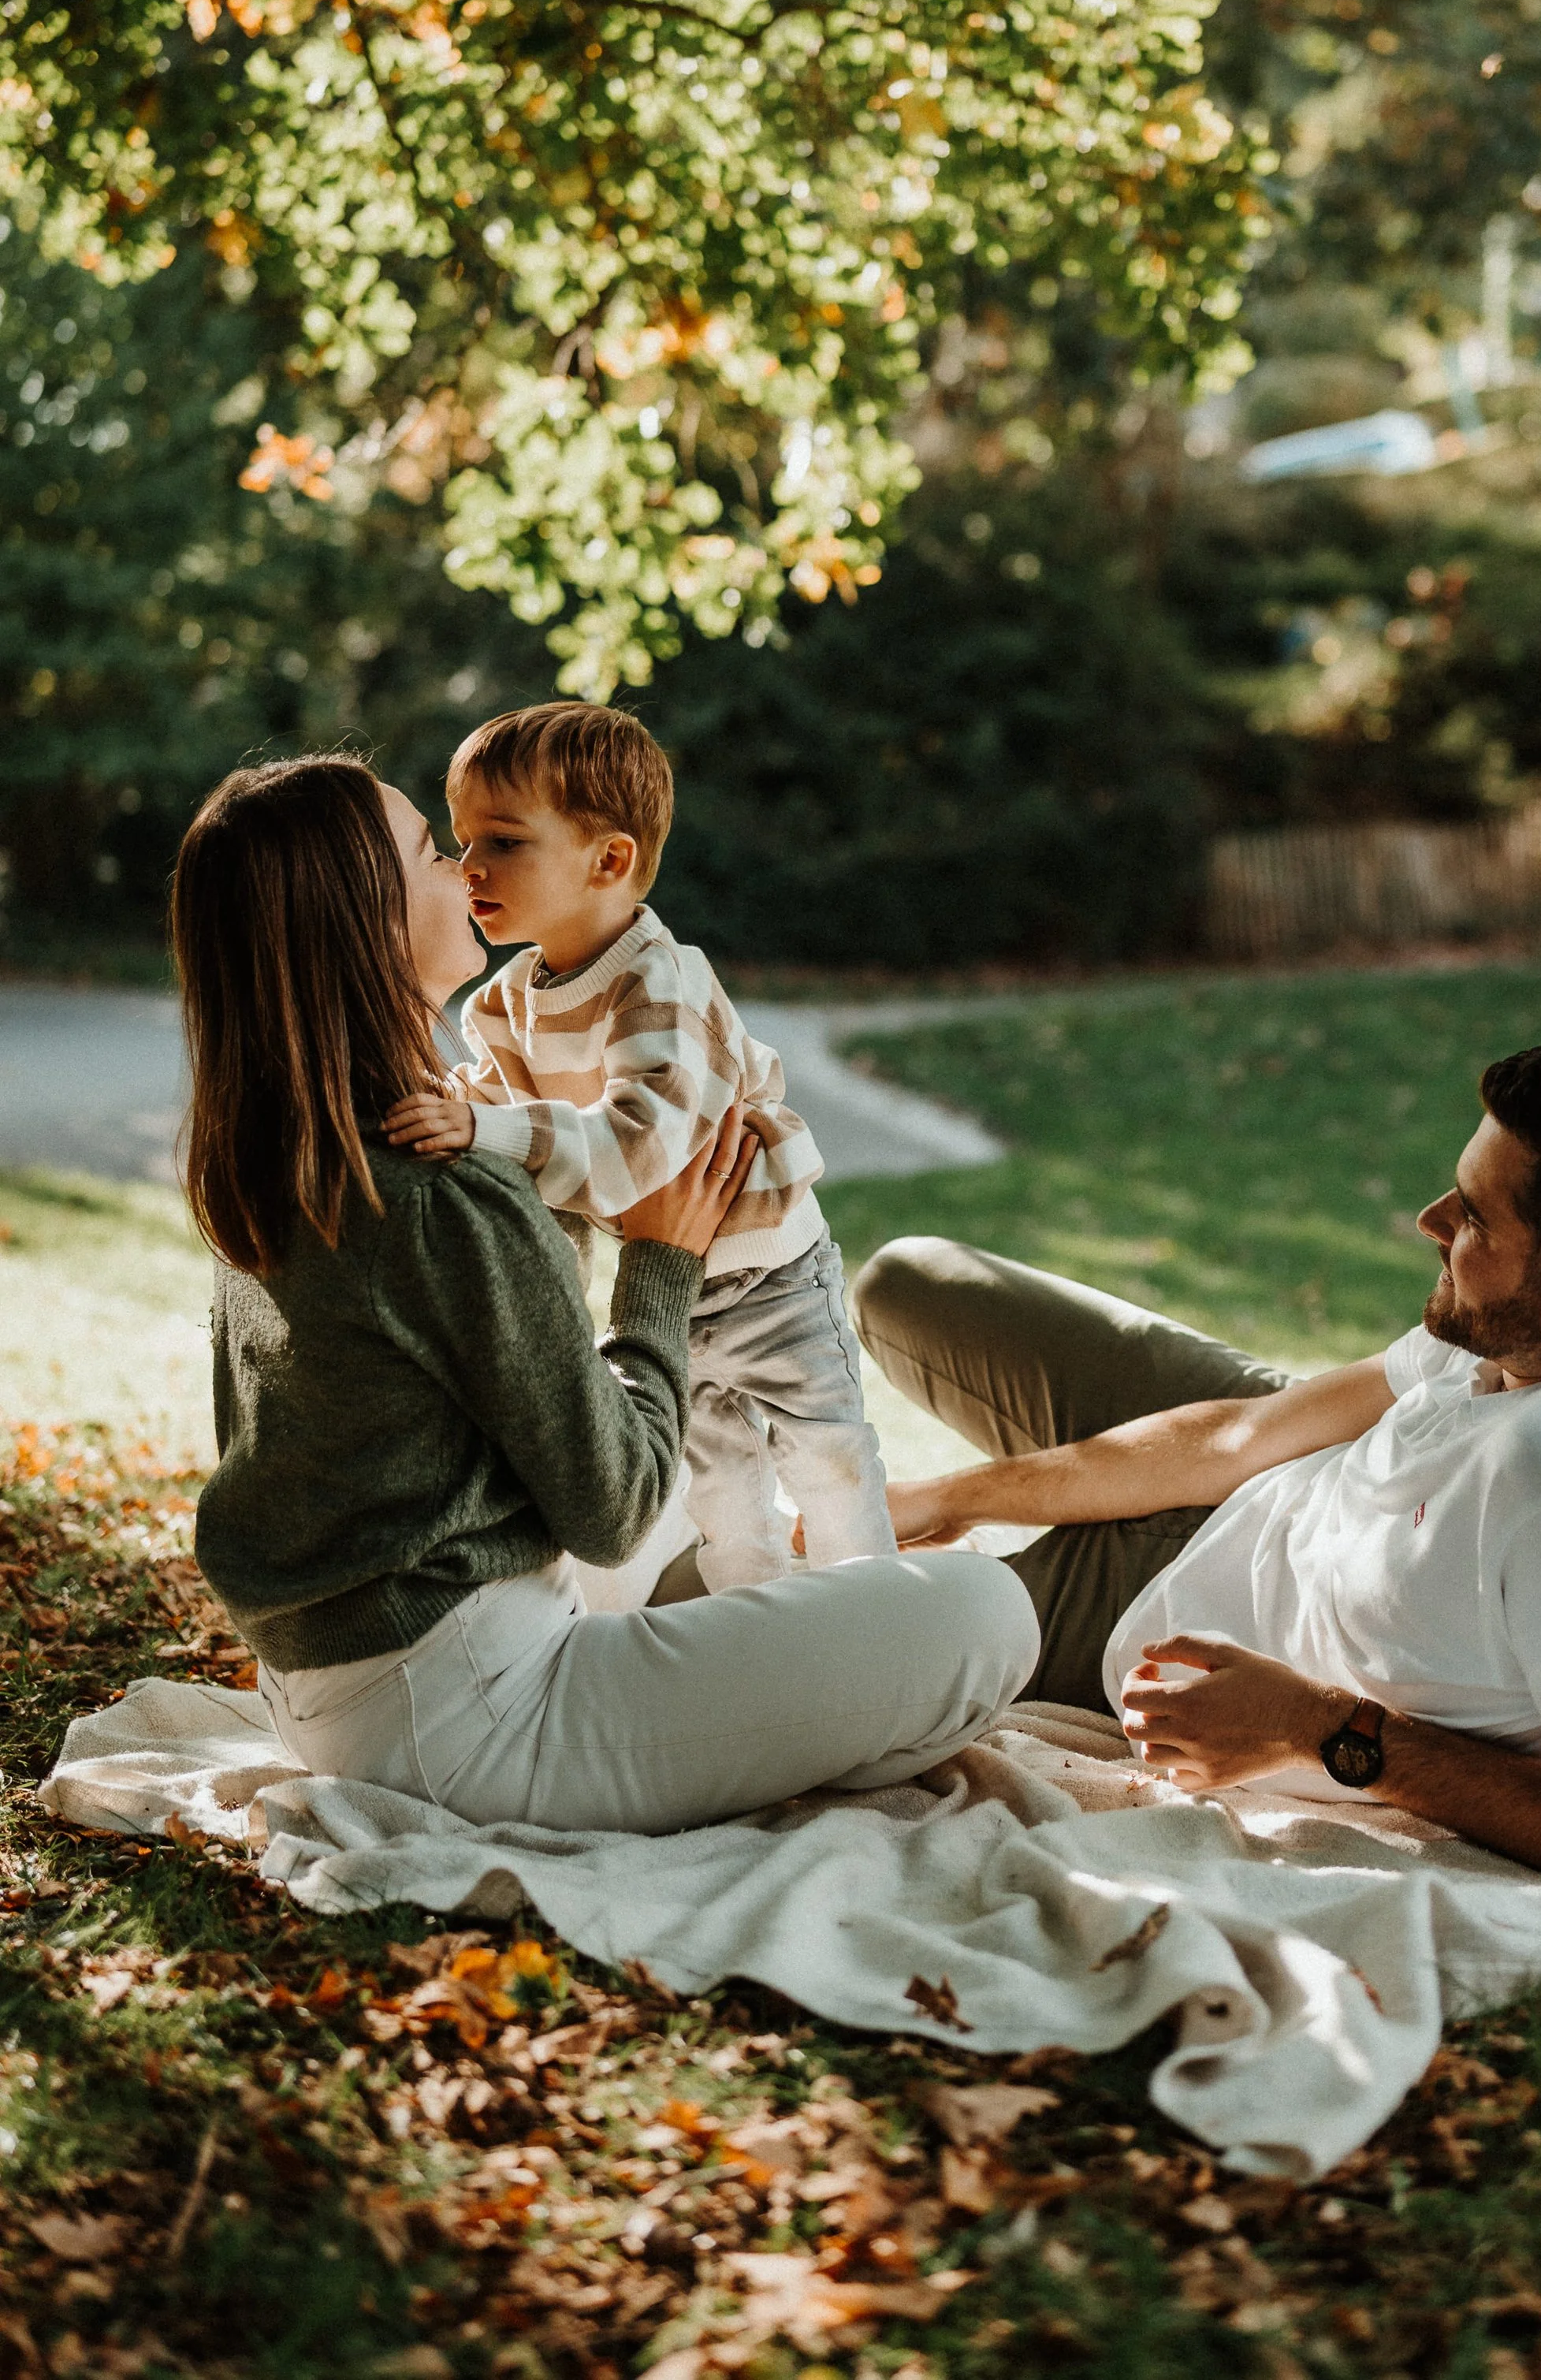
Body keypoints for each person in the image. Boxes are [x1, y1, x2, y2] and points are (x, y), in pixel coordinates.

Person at [172, 754, 1037, 1834]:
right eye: (432, 852)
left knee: (725, 1505)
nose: (465, 868)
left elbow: (496, 1372)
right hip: (469, 1719)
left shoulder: (287, 1153)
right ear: (365, 924)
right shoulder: (437, 1194)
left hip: (330, 1685)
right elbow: (614, 1508)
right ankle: (779, 1729)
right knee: (984, 1611)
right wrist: (663, 1259)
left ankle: (765, 1699)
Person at [852, 1045, 1541, 1883]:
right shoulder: (1522, 1326)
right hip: (1301, 1483)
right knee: (908, 1284)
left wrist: (1319, 1726)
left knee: (785, 1588)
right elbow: (1243, 1436)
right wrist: (949, 1499)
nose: (1430, 1220)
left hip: (1173, 1611)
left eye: (1475, 1219)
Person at [379, 701, 896, 1593]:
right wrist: (452, 1103)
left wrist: (487, 1125)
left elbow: (640, 1147)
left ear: (610, 860)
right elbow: (504, 1116)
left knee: (831, 1464)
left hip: (771, 1275)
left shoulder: (659, 983)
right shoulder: (503, 1006)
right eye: (462, 843)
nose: (469, 869)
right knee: (722, 1495)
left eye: (503, 842)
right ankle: (758, 1632)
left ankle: (882, 1623)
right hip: (678, 1290)